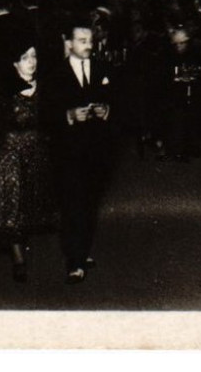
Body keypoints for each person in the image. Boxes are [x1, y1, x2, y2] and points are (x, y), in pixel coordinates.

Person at [47, 17, 114, 283]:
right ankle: (74, 260)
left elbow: (116, 98)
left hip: (96, 149)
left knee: (90, 202)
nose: (88, 46)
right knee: (73, 204)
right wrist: (70, 115)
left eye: (90, 41)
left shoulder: (102, 68)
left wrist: (107, 110)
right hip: (68, 151)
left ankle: (82, 249)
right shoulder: (55, 73)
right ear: (68, 44)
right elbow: (47, 113)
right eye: (82, 41)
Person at [0, 37, 55, 282]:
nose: (31, 62)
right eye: (25, 58)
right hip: (10, 152)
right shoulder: (4, 90)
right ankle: (18, 258)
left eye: (34, 56)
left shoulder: (44, 86)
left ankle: (24, 246)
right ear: (15, 63)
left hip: (36, 151)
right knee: (12, 203)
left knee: (32, 203)